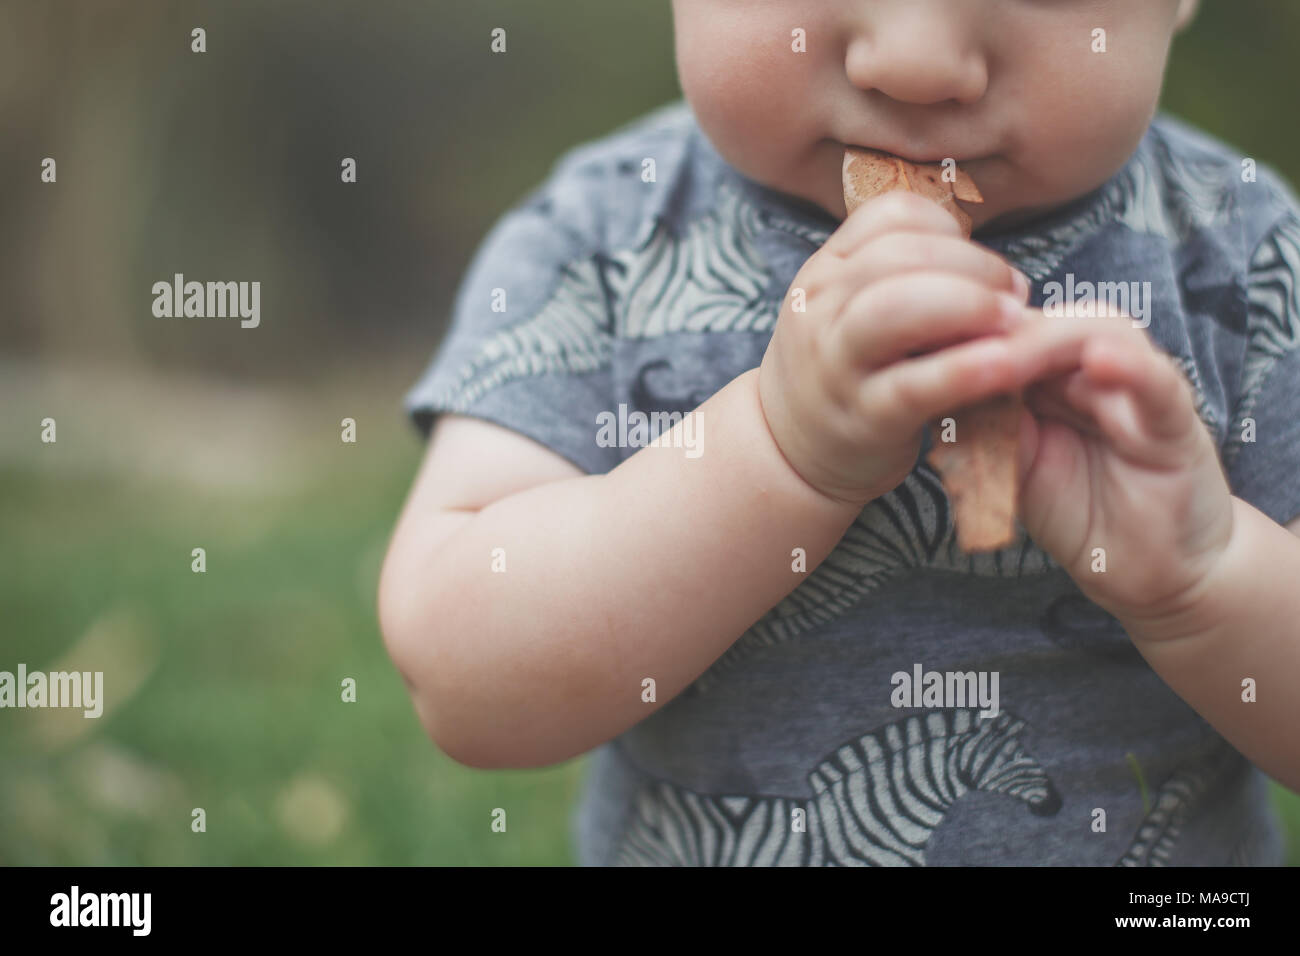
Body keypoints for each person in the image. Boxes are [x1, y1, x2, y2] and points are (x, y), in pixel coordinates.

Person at [379, 0, 1300, 864]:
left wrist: (1207, 581)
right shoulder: (603, 242)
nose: (915, 60)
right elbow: (465, 683)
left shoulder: (1246, 256)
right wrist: (776, 456)